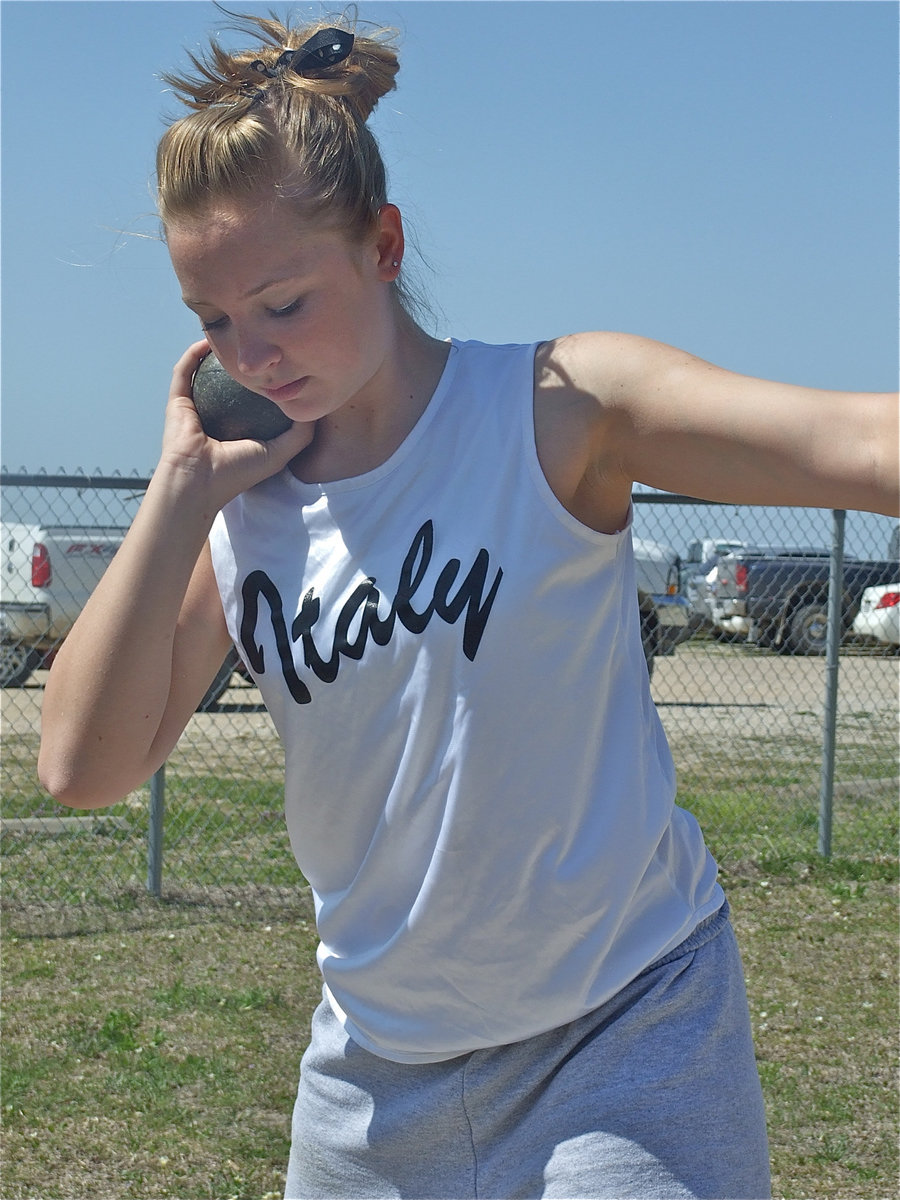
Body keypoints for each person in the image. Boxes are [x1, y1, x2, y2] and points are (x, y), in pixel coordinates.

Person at [38, 11, 898, 1200]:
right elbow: (83, 765)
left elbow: (860, 442)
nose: (257, 351)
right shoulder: (242, 512)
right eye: (215, 323)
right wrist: (183, 488)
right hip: (371, 1086)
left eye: (283, 302)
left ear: (383, 246)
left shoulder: (557, 412)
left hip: (624, 1038)